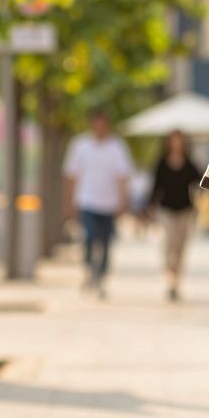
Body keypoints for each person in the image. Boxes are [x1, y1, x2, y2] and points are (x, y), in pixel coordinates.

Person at [63, 111, 134, 299]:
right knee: (89, 237)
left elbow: (123, 177)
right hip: (86, 200)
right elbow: (71, 176)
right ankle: (89, 269)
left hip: (109, 203)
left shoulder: (117, 147)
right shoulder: (80, 146)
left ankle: (101, 276)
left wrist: (123, 200)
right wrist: (69, 201)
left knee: (106, 241)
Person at [148, 130, 203, 302]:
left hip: (185, 210)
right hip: (165, 210)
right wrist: (149, 208)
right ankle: (169, 278)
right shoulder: (162, 163)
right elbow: (155, 188)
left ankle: (176, 280)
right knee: (168, 243)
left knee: (180, 246)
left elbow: (201, 180)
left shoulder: (189, 163)